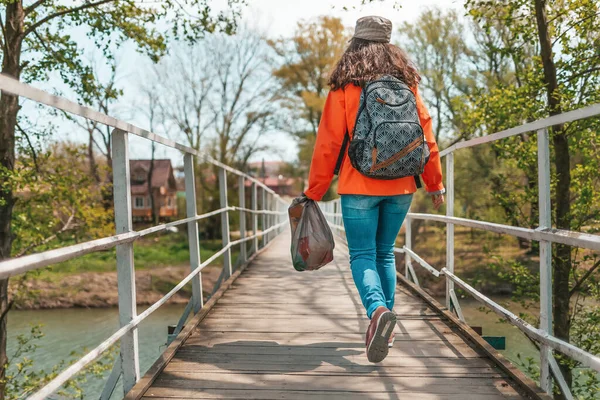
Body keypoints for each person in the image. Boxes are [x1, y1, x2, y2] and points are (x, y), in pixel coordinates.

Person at [303, 16, 445, 363]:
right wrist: (435, 183)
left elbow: (329, 143)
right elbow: (426, 135)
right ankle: (386, 327)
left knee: (364, 255)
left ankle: (378, 312)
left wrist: (315, 192)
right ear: (389, 46)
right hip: (402, 185)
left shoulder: (345, 86)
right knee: (385, 254)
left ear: (355, 44)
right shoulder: (407, 84)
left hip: (359, 185)